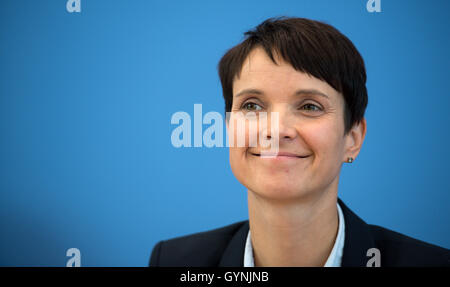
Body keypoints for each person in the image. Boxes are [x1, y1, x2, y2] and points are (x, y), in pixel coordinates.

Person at [149, 16, 450, 267]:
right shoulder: (175, 262)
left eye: (309, 106)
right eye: (252, 105)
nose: (276, 130)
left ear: (353, 138)